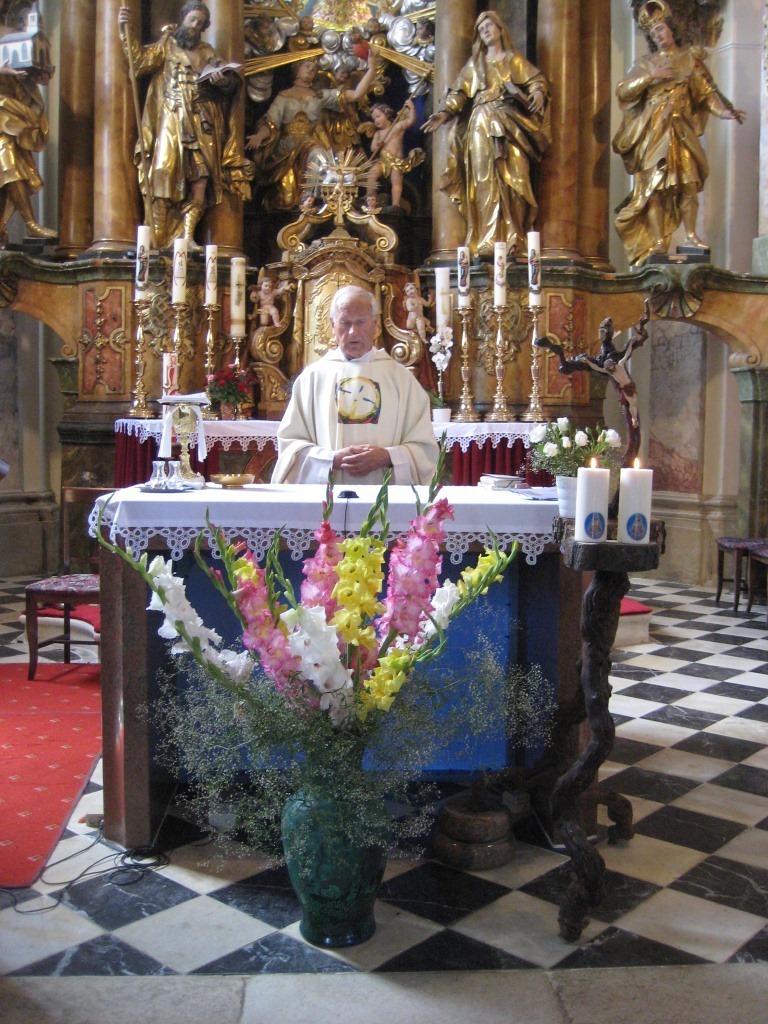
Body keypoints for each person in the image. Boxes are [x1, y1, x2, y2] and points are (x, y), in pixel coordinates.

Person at [612, 0, 745, 267]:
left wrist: (724, 112)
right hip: (653, 130)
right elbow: (623, 91)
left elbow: (707, 94)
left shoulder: (690, 60)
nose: (658, 36)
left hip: (681, 128)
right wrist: (651, 77)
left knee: (688, 183)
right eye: (653, 33)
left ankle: (692, 235)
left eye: (661, 29)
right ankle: (659, 242)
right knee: (653, 189)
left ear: (671, 28)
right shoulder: (646, 63)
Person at [118, 2, 253, 249]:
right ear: (182, 19)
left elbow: (231, 85)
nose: (195, 26)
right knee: (163, 171)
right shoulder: (166, 45)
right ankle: (157, 237)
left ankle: (187, 236)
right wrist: (124, 29)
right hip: (171, 115)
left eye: (200, 23)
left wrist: (221, 81)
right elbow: (138, 64)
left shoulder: (207, 52)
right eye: (192, 20)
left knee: (200, 179)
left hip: (201, 120)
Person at [272, 285, 438, 485]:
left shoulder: (401, 380)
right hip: (327, 496)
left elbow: (424, 448)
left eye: (361, 322)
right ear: (332, 325)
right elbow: (290, 445)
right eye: (345, 323)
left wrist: (387, 456)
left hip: (386, 495)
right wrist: (331, 460)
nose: (353, 331)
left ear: (375, 324)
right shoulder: (312, 378)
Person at [422, 10, 550, 259]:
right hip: (481, 123)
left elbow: (536, 80)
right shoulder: (475, 64)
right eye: (481, 30)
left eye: (490, 26)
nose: (486, 31)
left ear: (501, 29)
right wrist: (444, 113)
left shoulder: (513, 60)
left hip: (510, 124)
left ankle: (514, 236)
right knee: (484, 181)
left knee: (516, 179)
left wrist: (537, 92)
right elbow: (459, 94)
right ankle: (487, 239)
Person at [246, 53, 376, 211]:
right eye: (307, 66)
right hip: (285, 150)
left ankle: (311, 199)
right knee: (286, 200)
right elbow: (271, 122)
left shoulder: (319, 96)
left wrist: (372, 68)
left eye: (314, 69)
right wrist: (260, 136)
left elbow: (355, 95)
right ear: (297, 69)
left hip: (308, 145)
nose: (311, 70)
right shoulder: (283, 96)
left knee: (321, 156)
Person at [0, 3, 56, 244]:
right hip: (2, 109)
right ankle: (30, 223)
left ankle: (5, 227)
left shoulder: (19, 28)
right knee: (8, 160)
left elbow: (29, 62)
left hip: (16, 110)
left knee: (16, 166)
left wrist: (40, 73)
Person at [365, 99, 424, 209]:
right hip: (383, 161)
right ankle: (370, 199)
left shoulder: (397, 127)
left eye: (378, 116)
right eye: (374, 119)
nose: (376, 120)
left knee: (396, 181)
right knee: (371, 174)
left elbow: (411, 120)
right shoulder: (378, 134)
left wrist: (412, 107)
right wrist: (377, 145)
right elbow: (373, 148)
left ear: (387, 114)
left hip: (396, 161)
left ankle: (395, 205)